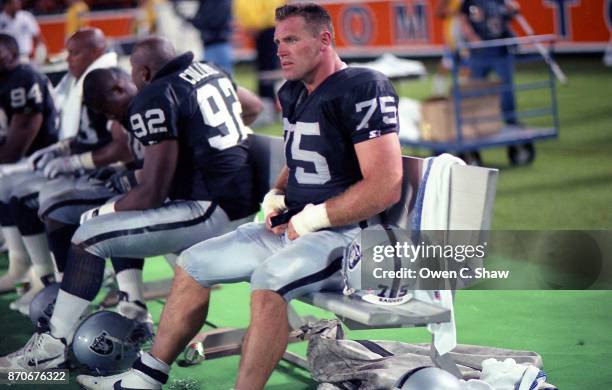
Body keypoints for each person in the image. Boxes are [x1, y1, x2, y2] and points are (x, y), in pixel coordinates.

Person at [77, 3, 403, 389]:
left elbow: (385, 185)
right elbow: (301, 154)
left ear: (324, 40)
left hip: (352, 239)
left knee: (269, 280)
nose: (279, 49)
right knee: (193, 264)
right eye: (278, 40)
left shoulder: (363, 86)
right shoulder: (295, 91)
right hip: (296, 229)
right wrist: (278, 192)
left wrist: (312, 218)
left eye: (292, 40)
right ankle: (147, 377)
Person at [0, 35, 263, 373]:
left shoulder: (156, 95)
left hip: (211, 205)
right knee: (116, 219)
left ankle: (52, 345)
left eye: (134, 71)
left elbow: (151, 192)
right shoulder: (209, 70)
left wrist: (102, 212)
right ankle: (125, 308)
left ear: (144, 73)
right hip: (232, 197)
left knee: (91, 234)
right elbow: (253, 106)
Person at [0, 28, 117, 312]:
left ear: (96, 51)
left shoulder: (107, 80)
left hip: (105, 174)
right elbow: (82, 134)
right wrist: (62, 151)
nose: (67, 59)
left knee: (40, 202)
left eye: (74, 52)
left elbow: (120, 145)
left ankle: (69, 285)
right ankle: (40, 274)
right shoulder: (81, 79)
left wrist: (75, 162)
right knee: (14, 190)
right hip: (84, 167)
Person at [0, 33, 58, 293]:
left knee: (7, 186)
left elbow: (16, 148)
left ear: (7, 54)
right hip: (22, 162)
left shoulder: (22, 80)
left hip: (41, 161)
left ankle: (42, 273)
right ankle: (20, 264)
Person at [460, 0, 520, 125]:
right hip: (480, 51)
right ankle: (473, 121)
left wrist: (512, 9)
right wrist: (472, 37)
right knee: (475, 86)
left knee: (506, 87)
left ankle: (511, 120)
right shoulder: (469, 2)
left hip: (500, 48)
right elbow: (463, 19)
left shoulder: (500, 2)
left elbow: (511, 14)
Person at [234, 0, 286, 126]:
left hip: (268, 28)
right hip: (260, 30)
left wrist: (257, 24)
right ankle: (269, 108)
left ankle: (275, 108)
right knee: (265, 70)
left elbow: (274, 8)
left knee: (270, 70)